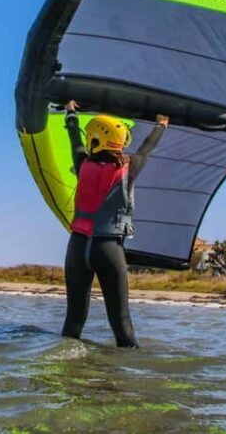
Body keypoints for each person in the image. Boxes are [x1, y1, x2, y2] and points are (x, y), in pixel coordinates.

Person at [61, 101, 169, 347]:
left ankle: (67, 369)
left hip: (77, 247)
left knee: (73, 321)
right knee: (122, 323)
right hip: (107, 248)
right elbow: (147, 148)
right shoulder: (129, 169)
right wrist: (161, 125)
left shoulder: (82, 163)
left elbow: (73, 138)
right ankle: (126, 370)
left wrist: (71, 112)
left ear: (94, 139)